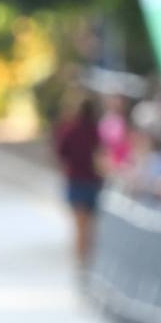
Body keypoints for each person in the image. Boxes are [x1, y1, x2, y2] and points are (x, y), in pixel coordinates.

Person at [53, 94, 103, 269]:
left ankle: (82, 260)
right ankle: (85, 257)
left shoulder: (70, 130)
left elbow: (60, 153)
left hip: (77, 180)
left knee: (80, 225)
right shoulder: (95, 131)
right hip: (93, 181)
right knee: (90, 225)